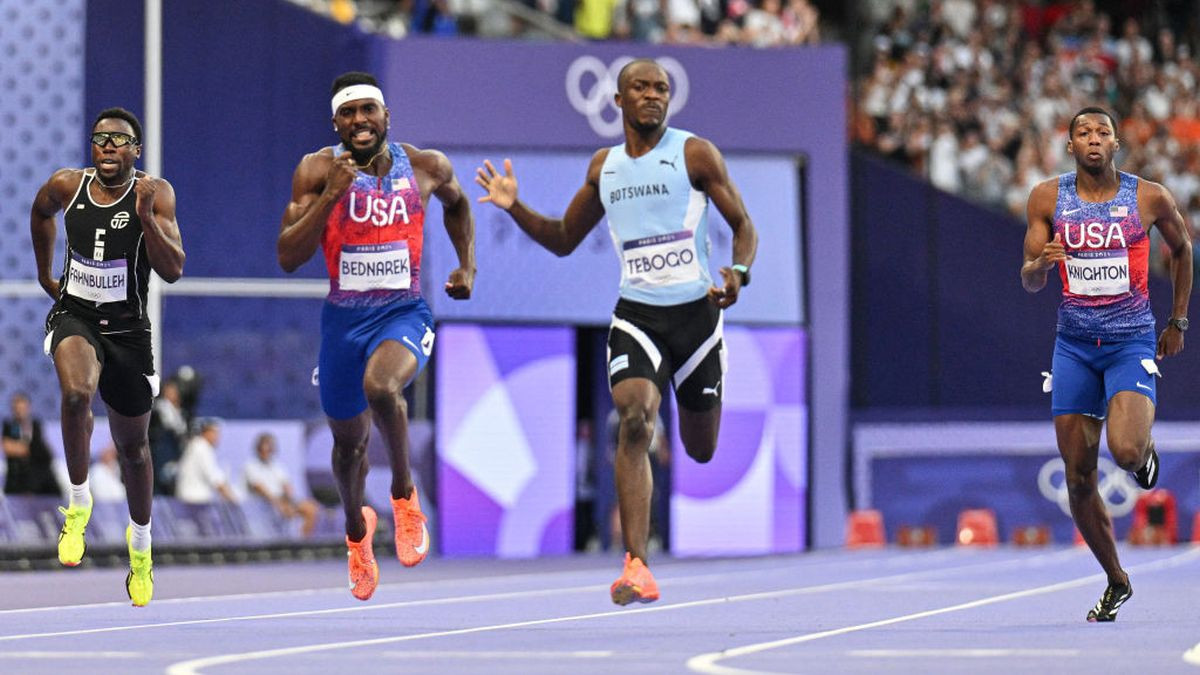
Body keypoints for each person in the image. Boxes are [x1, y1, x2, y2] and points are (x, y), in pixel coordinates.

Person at [475, 58, 758, 605]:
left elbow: (743, 226)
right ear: (618, 101)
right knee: (633, 421)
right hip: (638, 316)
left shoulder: (695, 154)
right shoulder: (603, 167)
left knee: (700, 450)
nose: (653, 96)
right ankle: (637, 564)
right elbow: (561, 238)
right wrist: (514, 208)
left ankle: (701, 387)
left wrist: (740, 272)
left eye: (661, 89)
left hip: (697, 319)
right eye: (641, 88)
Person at [278, 71, 475, 601]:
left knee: (383, 387)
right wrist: (329, 198)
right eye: (348, 113)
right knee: (348, 449)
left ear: (387, 116)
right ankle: (355, 532)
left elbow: (458, 204)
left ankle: (404, 496)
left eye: (369, 110)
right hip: (343, 320)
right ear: (335, 123)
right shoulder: (317, 170)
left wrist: (467, 266)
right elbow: (288, 257)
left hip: (403, 311)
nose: (359, 121)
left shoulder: (428, 166)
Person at [1022, 106, 1192, 622]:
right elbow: (1029, 280)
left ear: (1116, 143)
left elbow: (1184, 250)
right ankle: (1117, 580)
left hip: (1130, 342)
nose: (1092, 139)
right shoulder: (1047, 198)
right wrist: (1040, 265)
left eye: (1102, 132)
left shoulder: (1148, 196)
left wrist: (1177, 321)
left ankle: (1143, 454)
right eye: (1082, 132)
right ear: (1069, 145)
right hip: (1074, 345)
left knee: (1123, 451)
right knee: (1077, 479)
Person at [29, 107, 185, 607]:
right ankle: (77, 504)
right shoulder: (66, 185)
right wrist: (44, 273)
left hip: (129, 334)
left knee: (134, 450)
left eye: (120, 140)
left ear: (136, 150)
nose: (109, 146)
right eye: (101, 139)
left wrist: (145, 219)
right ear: (91, 147)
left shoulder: (154, 194)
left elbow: (175, 269)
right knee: (76, 394)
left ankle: (140, 549)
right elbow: (39, 213)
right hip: (75, 314)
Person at [242, 432, 319, 537]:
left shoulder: (276, 466)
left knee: (311, 508)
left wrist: (290, 500)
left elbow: (286, 485)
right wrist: (278, 503)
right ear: (258, 449)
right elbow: (259, 488)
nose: (267, 452)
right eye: (264, 449)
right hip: (264, 503)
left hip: (282, 500)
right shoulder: (251, 466)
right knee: (285, 510)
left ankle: (303, 542)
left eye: (269, 449)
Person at [1, 392, 62, 496]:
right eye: (17, 408)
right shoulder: (10, 425)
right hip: (17, 474)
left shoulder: (35, 425)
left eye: (22, 408)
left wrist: (23, 447)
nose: (20, 411)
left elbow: (41, 450)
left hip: (38, 473)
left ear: (28, 408)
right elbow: (8, 447)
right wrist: (24, 448)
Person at [175, 418, 236, 505]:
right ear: (206, 432)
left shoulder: (201, 446)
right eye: (214, 433)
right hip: (193, 500)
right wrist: (231, 498)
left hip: (195, 499)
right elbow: (213, 475)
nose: (217, 437)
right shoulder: (200, 446)